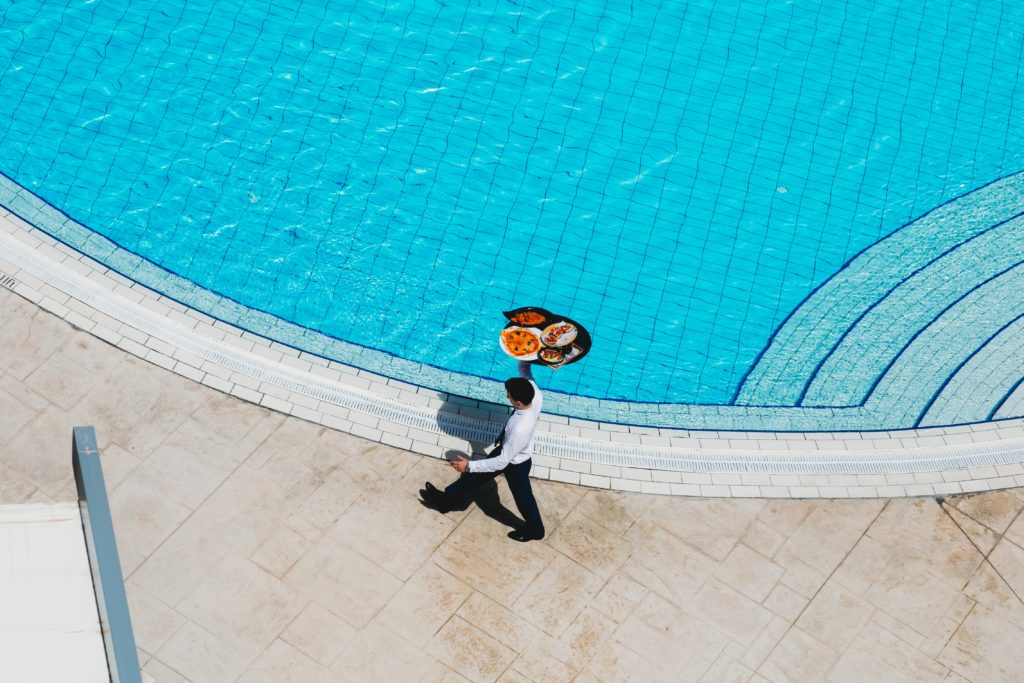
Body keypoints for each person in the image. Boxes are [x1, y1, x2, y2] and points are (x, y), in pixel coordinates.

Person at [420, 361, 545, 542]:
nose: (507, 397)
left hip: (514, 463)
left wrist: (469, 465)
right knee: (472, 479)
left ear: (517, 402)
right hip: (509, 451)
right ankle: (445, 502)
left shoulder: (520, 428)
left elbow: (502, 461)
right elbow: (526, 375)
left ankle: (535, 530)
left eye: (508, 396)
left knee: (522, 497)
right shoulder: (535, 397)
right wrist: (525, 361)